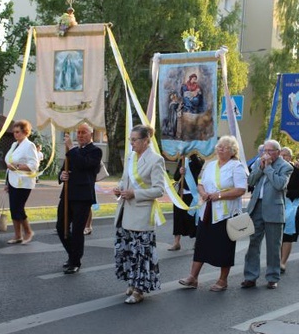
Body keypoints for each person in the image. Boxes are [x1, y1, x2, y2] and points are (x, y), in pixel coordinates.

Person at [179, 135, 247, 291]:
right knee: (201, 244)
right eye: (219, 146)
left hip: (225, 215)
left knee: (224, 247)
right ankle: (193, 277)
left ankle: (223, 280)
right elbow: (200, 183)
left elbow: (241, 189)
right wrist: (202, 193)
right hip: (207, 212)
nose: (220, 149)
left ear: (232, 151)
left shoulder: (236, 167)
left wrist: (219, 195)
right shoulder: (209, 165)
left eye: (224, 147)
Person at [113, 125, 166, 304]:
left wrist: (135, 193)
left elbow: (159, 190)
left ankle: (139, 289)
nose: (131, 142)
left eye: (134, 139)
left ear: (145, 141)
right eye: (131, 139)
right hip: (125, 211)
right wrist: (120, 189)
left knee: (140, 254)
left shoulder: (156, 160)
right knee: (128, 251)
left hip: (142, 214)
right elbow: (124, 179)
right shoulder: (130, 157)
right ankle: (131, 282)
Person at [241, 140, 293, 290]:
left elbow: (279, 185)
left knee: (273, 246)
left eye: (270, 151)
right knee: (253, 244)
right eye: (265, 150)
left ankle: (272, 277)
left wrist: (269, 168)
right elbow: (250, 181)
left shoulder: (286, 166)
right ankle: (250, 277)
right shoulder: (259, 162)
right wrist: (261, 168)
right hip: (256, 207)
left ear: (277, 152)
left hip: (274, 210)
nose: (266, 153)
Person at [56, 123, 102, 274]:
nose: (80, 135)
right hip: (67, 195)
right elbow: (65, 169)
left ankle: (75, 261)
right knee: (61, 227)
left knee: (77, 230)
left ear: (91, 134)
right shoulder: (73, 151)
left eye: (83, 132)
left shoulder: (95, 151)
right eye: (78, 132)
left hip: (82, 196)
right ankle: (72, 254)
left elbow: (83, 164)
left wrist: (72, 148)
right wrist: (61, 176)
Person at [4, 120, 39, 244]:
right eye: (14, 132)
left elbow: (34, 165)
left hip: (24, 182)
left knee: (18, 208)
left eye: (18, 132)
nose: (15, 134)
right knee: (14, 208)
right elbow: (9, 163)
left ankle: (28, 232)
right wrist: (6, 182)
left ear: (25, 132)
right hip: (12, 180)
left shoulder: (29, 145)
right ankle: (17, 235)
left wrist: (17, 166)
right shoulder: (14, 145)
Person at [168, 154, 204, 251]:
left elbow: (198, 166)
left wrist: (191, 153)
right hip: (180, 194)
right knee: (178, 218)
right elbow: (175, 177)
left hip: (192, 195)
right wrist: (180, 172)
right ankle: (176, 242)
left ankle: (198, 241)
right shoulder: (182, 160)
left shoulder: (197, 160)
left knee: (192, 218)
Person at [279, 147, 299, 273]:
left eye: (285, 155)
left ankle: (283, 262)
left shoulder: (297, 172)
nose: (282, 158)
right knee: (277, 236)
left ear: (289, 157)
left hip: (291, 206)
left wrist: (288, 192)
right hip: (277, 206)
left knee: (287, 235)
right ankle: (277, 260)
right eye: (280, 155)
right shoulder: (275, 169)